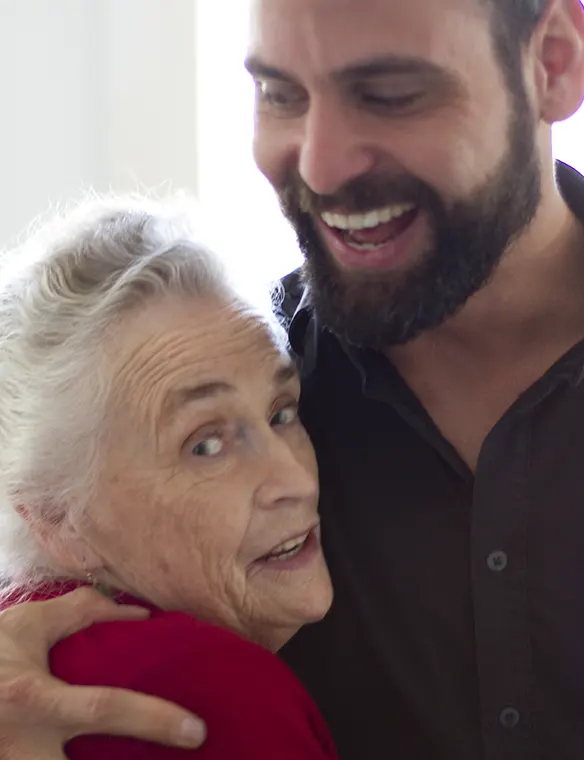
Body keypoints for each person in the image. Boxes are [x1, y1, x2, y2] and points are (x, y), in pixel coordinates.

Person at [0, 0, 584, 757]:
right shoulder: (236, 375)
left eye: (388, 95)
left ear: (553, 62)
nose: (319, 162)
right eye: (280, 93)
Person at [0, 198, 337, 759]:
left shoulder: (26, 646)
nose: (295, 480)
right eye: (205, 445)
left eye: (281, 412)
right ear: (61, 521)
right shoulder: (212, 693)